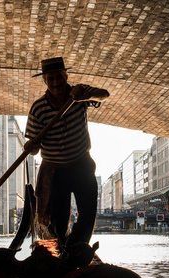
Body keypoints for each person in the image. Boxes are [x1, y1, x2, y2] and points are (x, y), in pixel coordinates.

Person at [25, 57, 109, 251]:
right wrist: (31, 146)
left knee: (88, 215)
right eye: (51, 79)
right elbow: (35, 148)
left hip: (82, 164)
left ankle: (76, 248)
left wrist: (88, 93)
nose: (56, 83)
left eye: (58, 77)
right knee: (59, 221)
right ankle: (63, 249)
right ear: (45, 81)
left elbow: (104, 94)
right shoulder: (38, 109)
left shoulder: (78, 93)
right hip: (55, 172)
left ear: (65, 76)